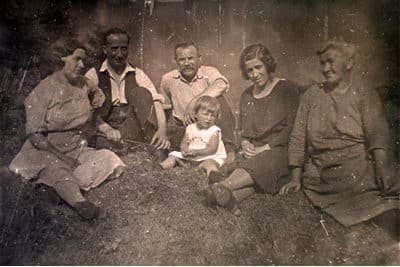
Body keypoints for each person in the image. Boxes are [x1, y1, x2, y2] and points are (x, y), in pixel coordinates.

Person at [279, 40, 399, 226]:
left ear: (349, 63)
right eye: (322, 63)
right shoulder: (311, 95)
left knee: (387, 207)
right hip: (321, 175)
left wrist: (382, 169)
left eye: (331, 61)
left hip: (357, 169)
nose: (326, 68)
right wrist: (296, 178)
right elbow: (298, 137)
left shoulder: (364, 94)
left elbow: (378, 135)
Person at [8, 38, 125, 220]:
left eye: (84, 61)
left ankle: (54, 188)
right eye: (76, 59)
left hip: (76, 148)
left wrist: (107, 129)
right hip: (44, 150)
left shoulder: (85, 84)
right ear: (61, 58)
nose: (82, 65)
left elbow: (94, 112)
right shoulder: (43, 90)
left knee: (109, 159)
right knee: (57, 166)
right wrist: (63, 158)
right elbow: (34, 135)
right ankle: (80, 203)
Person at [204, 44, 300, 215]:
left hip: (278, 150)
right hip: (253, 151)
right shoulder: (246, 95)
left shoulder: (287, 89)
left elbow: (292, 129)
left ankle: (222, 186)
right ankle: (228, 197)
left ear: (268, 65)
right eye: (249, 70)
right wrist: (246, 142)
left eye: (258, 67)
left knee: (264, 163)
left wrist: (264, 148)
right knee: (246, 169)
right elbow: (242, 129)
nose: (254, 75)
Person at [85, 27, 170, 155]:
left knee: (142, 93)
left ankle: (145, 146)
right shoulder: (93, 75)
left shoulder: (137, 73)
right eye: (114, 49)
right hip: (104, 129)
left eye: (123, 48)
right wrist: (107, 129)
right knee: (100, 143)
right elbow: (85, 110)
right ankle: (133, 149)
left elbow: (156, 102)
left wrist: (162, 131)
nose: (119, 54)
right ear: (105, 50)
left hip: (131, 127)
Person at [159, 42, 236, 163]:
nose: (187, 63)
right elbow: (165, 108)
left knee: (219, 99)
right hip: (185, 128)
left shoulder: (208, 72)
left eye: (190, 58)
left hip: (210, 125)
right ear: (175, 61)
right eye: (182, 59)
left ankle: (229, 148)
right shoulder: (168, 79)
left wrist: (194, 102)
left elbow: (221, 84)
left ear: (199, 59)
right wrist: (165, 133)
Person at [160, 96, 227, 180]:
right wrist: (185, 150)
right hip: (192, 158)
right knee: (173, 156)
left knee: (209, 164)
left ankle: (213, 178)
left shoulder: (214, 130)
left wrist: (196, 152)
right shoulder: (190, 128)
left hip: (209, 157)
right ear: (196, 114)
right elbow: (184, 143)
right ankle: (159, 169)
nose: (209, 118)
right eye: (205, 114)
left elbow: (212, 149)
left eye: (213, 116)